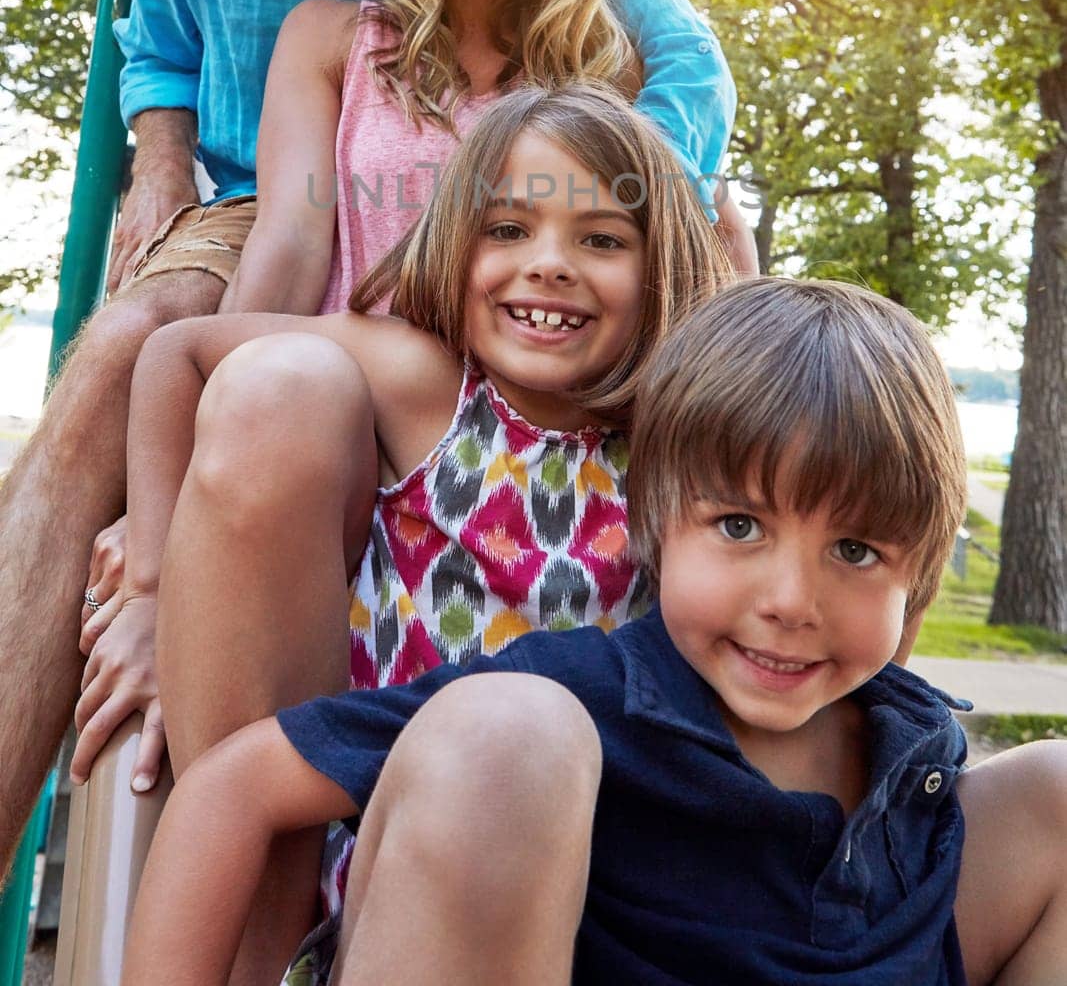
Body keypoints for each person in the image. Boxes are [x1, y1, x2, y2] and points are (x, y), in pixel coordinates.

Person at [0, 0, 739, 870]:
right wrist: (158, 159)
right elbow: (164, 60)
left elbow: (681, 69)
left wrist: (600, 197)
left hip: (500, 204)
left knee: (708, 289)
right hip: (255, 188)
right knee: (124, 346)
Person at [122, 278, 1067, 986]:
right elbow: (233, 786)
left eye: (855, 551)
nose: (790, 599)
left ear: (921, 579)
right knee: (504, 735)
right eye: (739, 528)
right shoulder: (590, 695)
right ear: (654, 528)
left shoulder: (911, 757)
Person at [86, 85, 730, 982]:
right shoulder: (428, 388)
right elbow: (177, 354)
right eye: (507, 231)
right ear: (455, 245)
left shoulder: (676, 443)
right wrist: (152, 589)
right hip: (406, 844)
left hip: (598, 862)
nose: (548, 265)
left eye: (602, 240)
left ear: (662, 269)